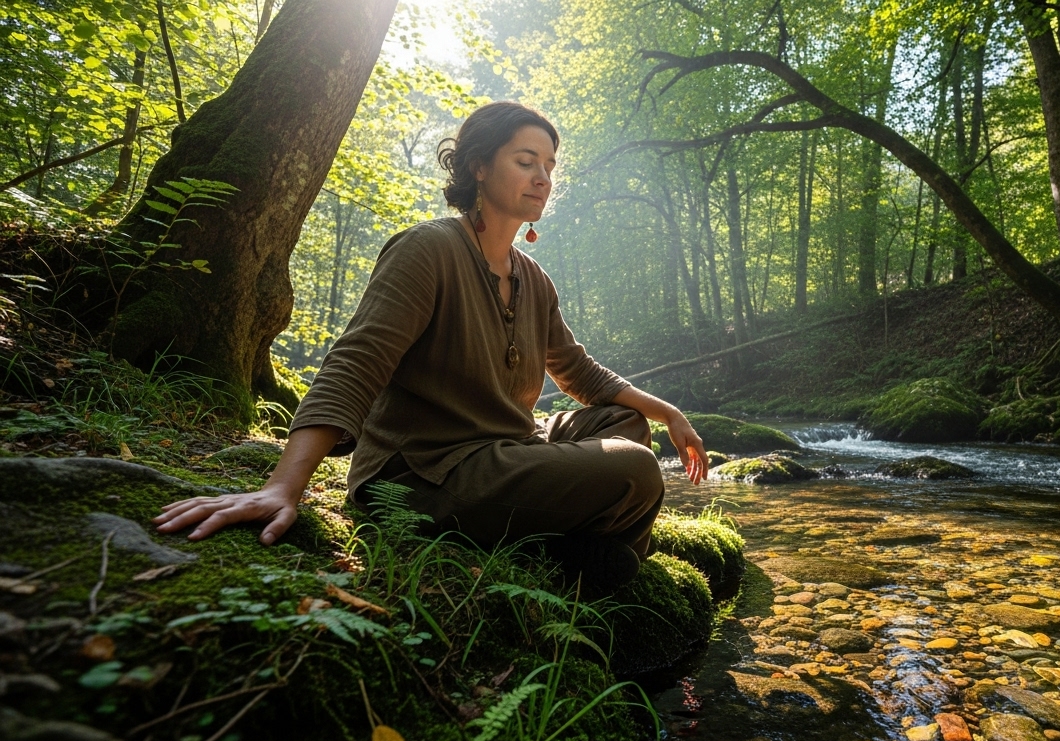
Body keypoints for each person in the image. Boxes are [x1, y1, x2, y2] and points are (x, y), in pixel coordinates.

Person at [152, 101, 708, 589]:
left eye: (549, 166)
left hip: (506, 448)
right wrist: (283, 487)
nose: (542, 176)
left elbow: (579, 373)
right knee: (634, 468)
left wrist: (668, 412)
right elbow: (356, 362)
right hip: (427, 473)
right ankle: (585, 561)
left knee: (626, 425)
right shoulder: (427, 249)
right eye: (525, 160)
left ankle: (565, 552)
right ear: (479, 166)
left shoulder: (533, 278)